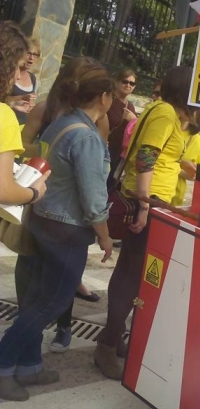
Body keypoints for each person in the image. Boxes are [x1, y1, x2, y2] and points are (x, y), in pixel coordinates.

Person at [0, 60, 114, 401]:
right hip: (66, 232)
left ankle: (30, 365)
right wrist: (106, 237)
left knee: (36, 299)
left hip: (41, 220)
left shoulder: (61, 122)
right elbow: (94, 199)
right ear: (104, 98)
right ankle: (4, 365)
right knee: (51, 303)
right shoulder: (87, 138)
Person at [95, 66, 194, 380]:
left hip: (152, 201)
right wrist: (143, 204)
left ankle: (113, 338)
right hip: (147, 202)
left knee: (131, 272)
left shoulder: (162, 110)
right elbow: (146, 157)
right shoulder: (165, 114)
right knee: (131, 276)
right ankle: (107, 344)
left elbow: (155, 156)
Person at [0, 21, 49, 206]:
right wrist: (34, 193)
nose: (19, 76)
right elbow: (3, 190)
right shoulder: (4, 116)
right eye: (18, 66)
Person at [106, 69, 137, 184]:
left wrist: (134, 120)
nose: (128, 85)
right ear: (117, 82)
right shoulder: (108, 100)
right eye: (125, 81)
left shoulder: (131, 107)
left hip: (119, 154)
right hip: (104, 149)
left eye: (132, 83)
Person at [171, 108, 200, 207]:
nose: (191, 111)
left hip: (176, 196)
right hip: (155, 188)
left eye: (195, 109)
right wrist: (180, 167)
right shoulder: (168, 127)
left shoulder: (196, 140)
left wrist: (184, 170)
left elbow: (197, 174)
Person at [7, 39, 39, 127]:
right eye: (29, 53)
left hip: (22, 125)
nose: (31, 58)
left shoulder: (33, 78)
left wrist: (31, 106)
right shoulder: (10, 74)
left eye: (35, 55)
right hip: (6, 122)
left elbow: (30, 102)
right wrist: (21, 97)